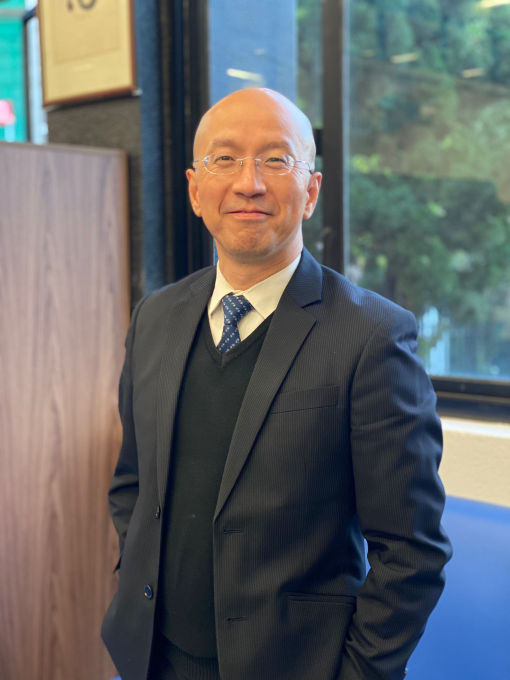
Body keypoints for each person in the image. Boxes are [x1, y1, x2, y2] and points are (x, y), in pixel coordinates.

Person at [102, 88, 451, 680]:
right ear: (194, 190)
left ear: (310, 191)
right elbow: (133, 484)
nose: (250, 183)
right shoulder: (154, 317)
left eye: (276, 159)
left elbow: (412, 551)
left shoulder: (372, 336)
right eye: (225, 159)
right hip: (151, 658)